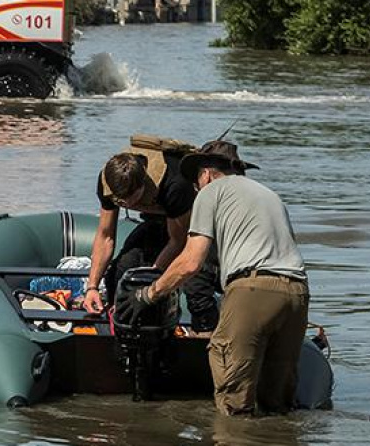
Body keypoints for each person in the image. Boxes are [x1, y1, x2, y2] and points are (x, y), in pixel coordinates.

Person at [119, 140, 309, 416]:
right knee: (278, 405)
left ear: (206, 173)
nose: (196, 187)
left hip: (252, 291)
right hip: (297, 294)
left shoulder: (211, 192)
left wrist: (149, 293)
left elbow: (191, 261)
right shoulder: (269, 195)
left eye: (197, 180)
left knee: (234, 402)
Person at [84, 134, 222, 332]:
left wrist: (150, 285)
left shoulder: (175, 183)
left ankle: (204, 332)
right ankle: (122, 330)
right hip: (158, 220)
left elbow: (178, 241)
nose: (129, 205)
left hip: (196, 226)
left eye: (133, 198)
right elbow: (105, 236)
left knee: (196, 286)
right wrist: (92, 287)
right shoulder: (107, 182)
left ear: (144, 184)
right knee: (121, 270)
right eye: (121, 202)